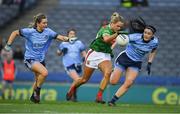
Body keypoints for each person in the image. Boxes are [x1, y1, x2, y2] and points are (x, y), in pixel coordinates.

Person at [4, 13, 69, 103]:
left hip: (41, 60)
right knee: (45, 73)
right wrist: (8, 45)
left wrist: (66, 38)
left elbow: (59, 37)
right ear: (38, 23)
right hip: (30, 59)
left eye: (46, 23)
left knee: (38, 79)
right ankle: (37, 92)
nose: (46, 25)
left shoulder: (48, 31)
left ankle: (33, 98)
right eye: (44, 23)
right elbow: (15, 32)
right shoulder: (29, 32)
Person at [66, 12, 125, 103]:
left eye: (120, 27)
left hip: (105, 55)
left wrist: (120, 41)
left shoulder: (116, 32)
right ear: (112, 24)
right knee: (84, 79)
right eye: (118, 26)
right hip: (94, 54)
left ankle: (99, 96)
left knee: (108, 73)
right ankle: (72, 88)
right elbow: (106, 39)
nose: (119, 28)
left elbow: (111, 44)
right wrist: (117, 35)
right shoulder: (105, 29)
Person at [108, 24, 158, 106]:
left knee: (129, 83)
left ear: (152, 35)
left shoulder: (155, 42)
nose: (146, 34)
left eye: (149, 33)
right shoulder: (135, 37)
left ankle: (112, 101)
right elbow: (120, 39)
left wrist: (149, 62)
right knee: (113, 82)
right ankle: (112, 71)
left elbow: (154, 50)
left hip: (136, 62)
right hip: (125, 58)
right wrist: (111, 48)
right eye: (145, 32)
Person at [57, 28, 86, 102]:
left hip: (78, 64)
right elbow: (58, 53)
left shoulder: (79, 43)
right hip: (68, 64)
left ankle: (74, 96)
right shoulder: (64, 43)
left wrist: (84, 58)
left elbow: (84, 53)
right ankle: (69, 93)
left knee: (77, 81)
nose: (72, 35)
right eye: (71, 33)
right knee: (77, 79)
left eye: (73, 33)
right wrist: (61, 51)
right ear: (68, 35)